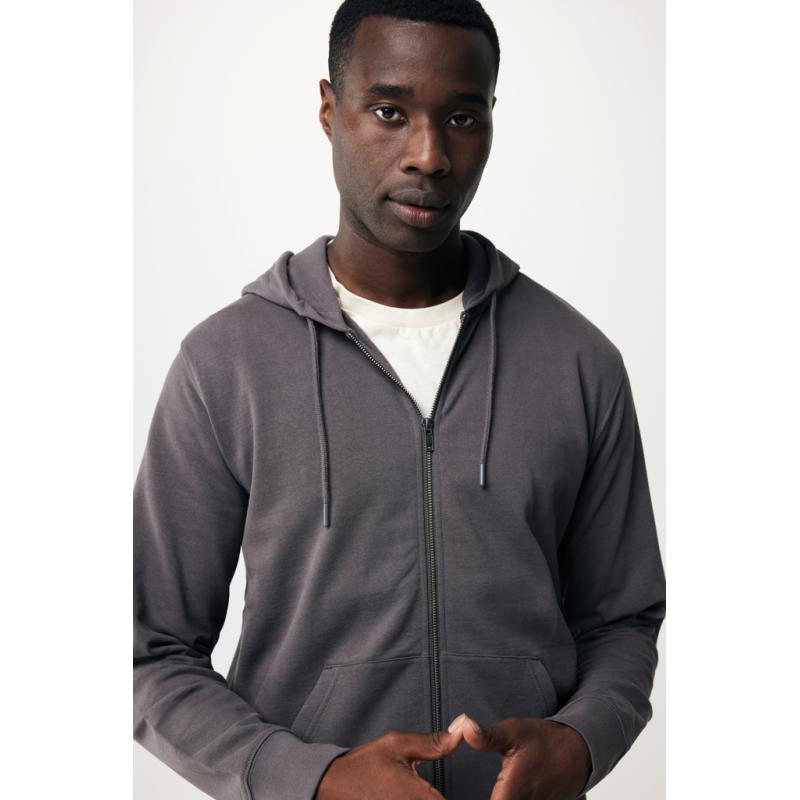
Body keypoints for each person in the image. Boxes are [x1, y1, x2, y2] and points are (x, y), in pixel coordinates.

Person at [133, 1, 666, 798]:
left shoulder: (577, 361)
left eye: (462, 117)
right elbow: (148, 650)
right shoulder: (226, 365)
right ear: (330, 110)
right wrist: (311, 779)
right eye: (390, 111)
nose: (429, 155)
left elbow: (623, 620)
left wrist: (581, 742)